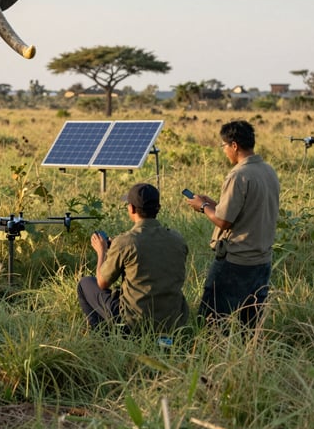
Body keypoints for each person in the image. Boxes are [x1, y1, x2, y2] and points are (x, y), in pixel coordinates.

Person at [185, 120, 280, 327]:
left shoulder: (239, 175)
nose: (224, 151)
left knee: (211, 320)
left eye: (224, 146)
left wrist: (202, 207)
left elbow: (224, 221)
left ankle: (213, 358)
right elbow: (247, 211)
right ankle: (251, 358)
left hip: (237, 261)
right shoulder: (268, 171)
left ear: (234, 145)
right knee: (251, 324)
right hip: (262, 260)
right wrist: (215, 204)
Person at [77, 183, 189, 334]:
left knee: (85, 284)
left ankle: (102, 335)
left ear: (131, 209)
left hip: (135, 323)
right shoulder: (177, 239)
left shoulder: (125, 242)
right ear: (158, 208)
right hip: (173, 322)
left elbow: (102, 283)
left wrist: (102, 251)